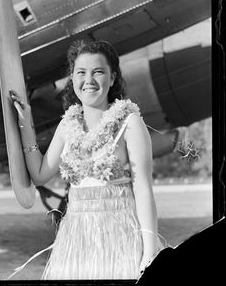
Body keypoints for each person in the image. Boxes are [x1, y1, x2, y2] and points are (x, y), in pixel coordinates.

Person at [10, 39, 162, 280]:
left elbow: (143, 189)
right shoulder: (67, 125)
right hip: (75, 239)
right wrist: (24, 124)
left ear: (112, 78)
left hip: (121, 238)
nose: (88, 80)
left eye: (98, 72)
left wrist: (150, 253)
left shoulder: (130, 123)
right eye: (81, 72)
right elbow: (39, 174)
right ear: (72, 78)